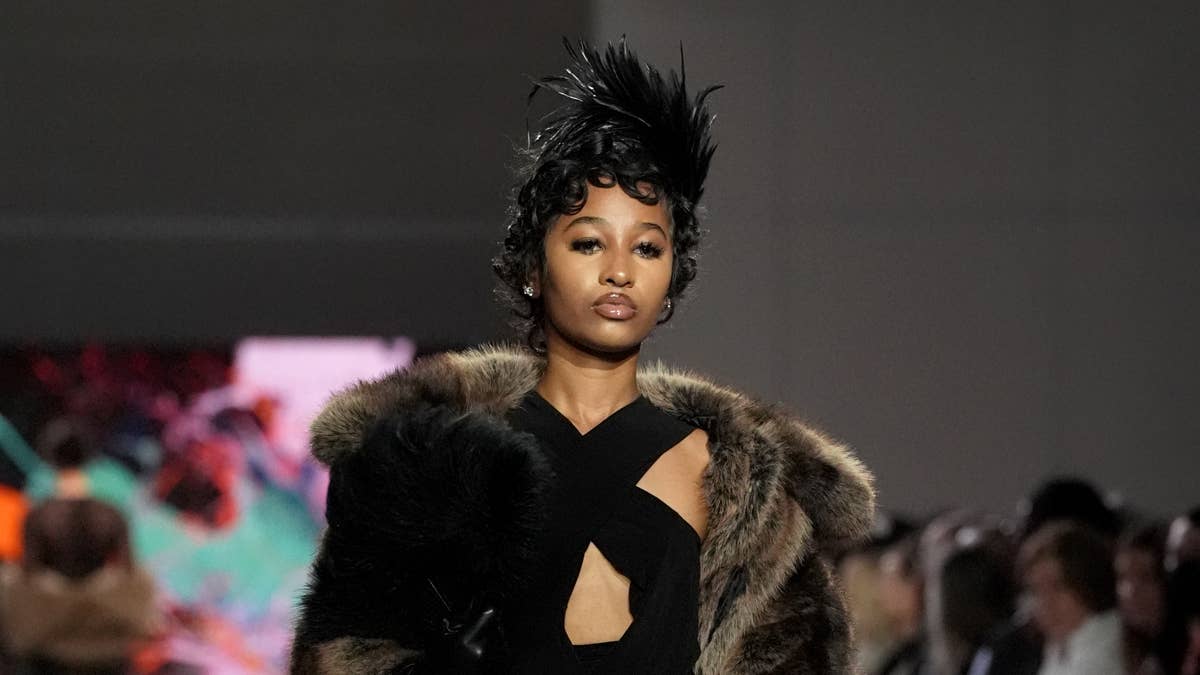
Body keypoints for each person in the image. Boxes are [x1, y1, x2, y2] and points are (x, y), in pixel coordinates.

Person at [289, 39, 875, 674]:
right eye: (589, 243)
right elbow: (338, 655)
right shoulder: (441, 461)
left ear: (672, 280)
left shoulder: (739, 485)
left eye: (647, 249)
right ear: (531, 269)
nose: (620, 271)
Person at [1019, 521, 1122, 675]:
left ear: (1089, 584)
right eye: (1036, 591)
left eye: (1058, 586)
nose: (1046, 603)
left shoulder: (1106, 652)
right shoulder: (1060, 645)